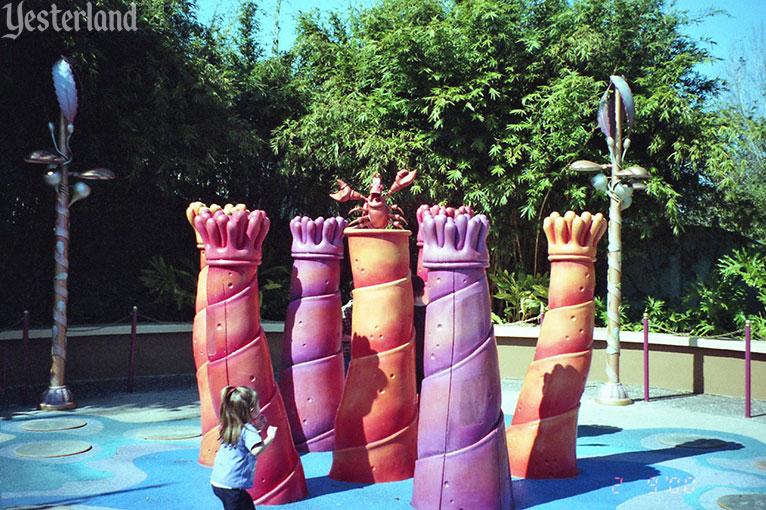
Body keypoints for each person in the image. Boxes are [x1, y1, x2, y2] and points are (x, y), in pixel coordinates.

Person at [210, 386, 277, 510]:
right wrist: (270, 437)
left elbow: (242, 440)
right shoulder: (248, 429)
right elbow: (256, 450)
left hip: (218, 482)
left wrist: (258, 429)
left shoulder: (229, 425)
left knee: (246, 504)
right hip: (232, 486)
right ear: (252, 410)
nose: (259, 407)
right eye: (258, 405)